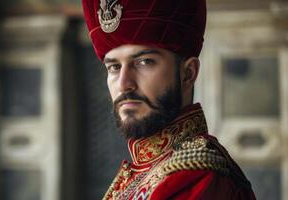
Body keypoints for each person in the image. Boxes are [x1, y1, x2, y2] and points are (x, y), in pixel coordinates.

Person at [81, 0, 256, 199]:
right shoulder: (142, 172)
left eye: (144, 62)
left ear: (188, 74)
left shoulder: (199, 178)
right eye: (114, 67)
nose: (124, 84)